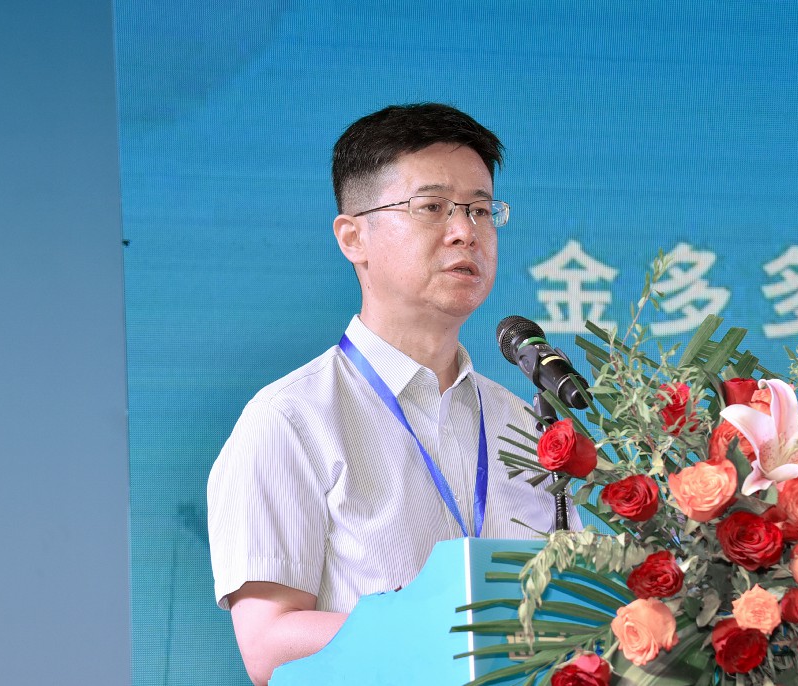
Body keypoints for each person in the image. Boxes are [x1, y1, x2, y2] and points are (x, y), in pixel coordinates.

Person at [207, 103, 575, 686]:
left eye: (481, 210)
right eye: (432, 207)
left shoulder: (525, 426)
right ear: (353, 236)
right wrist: (456, 632)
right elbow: (270, 644)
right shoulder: (290, 419)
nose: (465, 231)